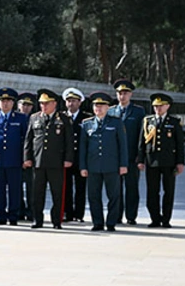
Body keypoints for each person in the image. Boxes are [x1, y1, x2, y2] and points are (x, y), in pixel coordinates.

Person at [23, 89, 75, 229]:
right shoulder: (34, 118)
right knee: (37, 193)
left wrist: (68, 158)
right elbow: (28, 139)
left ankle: (56, 220)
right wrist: (27, 157)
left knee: (57, 193)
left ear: (54, 103)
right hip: (38, 161)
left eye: (46, 103)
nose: (43, 106)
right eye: (41, 103)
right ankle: (37, 220)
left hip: (56, 162)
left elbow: (69, 141)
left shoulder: (63, 119)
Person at [136, 92, 185, 228]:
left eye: (161, 106)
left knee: (168, 191)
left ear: (167, 106)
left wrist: (180, 162)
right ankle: (155, 218)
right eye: (155, 106)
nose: (158, 108)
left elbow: (180, 144)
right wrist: (140, 160)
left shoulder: (174, 122)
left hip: (169, 162)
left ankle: (166, 219)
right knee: (152, 191)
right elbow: (141, 143)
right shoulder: (148, 121)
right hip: (151, 161)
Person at [80, 91, 128, 232]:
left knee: (114, 196)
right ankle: (98, 222)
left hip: (111, 165)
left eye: (101, 106)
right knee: (93, 196)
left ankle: (111, 222)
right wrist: (83, 166)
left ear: (108, 107)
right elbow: (83, 148)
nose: (98, 108)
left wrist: (123, 164)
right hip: (93, 166)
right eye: (96, 106)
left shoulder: (116, 122)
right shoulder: (87, 124)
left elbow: (122, 145)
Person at [109, 79, 145, 225]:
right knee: (115, 189)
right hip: (115, 157)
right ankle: (117, 215)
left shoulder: (138, 111)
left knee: (132, 188)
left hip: (131, 156)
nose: (122, 96)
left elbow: (142, 135)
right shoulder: (111, 111)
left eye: (125, 93)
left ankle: (131, 216)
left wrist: (140, 156)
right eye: (119, 93)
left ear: (130, 94)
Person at [0, 87, 25, 226]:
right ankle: (0, 215)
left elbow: (25, 140)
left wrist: (25, 159)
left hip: (15, 160)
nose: (5, 103)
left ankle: (13, 215)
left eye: (8, 101)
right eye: (2, 101)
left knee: (15, 190)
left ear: (13, 103)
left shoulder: (21, 118)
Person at [62, 88, 88, 222]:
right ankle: (68, 213)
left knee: (80, 187)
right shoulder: (61, 117)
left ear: (80, 102)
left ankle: (79, 214)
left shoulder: (86, 118)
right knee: (66, 187)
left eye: (74, 101)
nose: (71, 104)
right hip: (65, 158)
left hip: (80, 158)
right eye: (69, 101)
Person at [16, 91, 37, 220]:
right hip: (16, 158)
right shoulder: (14, 118)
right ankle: (19, 210)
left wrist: (28, 158)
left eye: (28, 105)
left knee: (31, 188)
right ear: (18, 105)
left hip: (31, 159)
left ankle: (31, 211)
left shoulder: (35, 119)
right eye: (23, 104)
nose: (25, 107)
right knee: (17, 187)